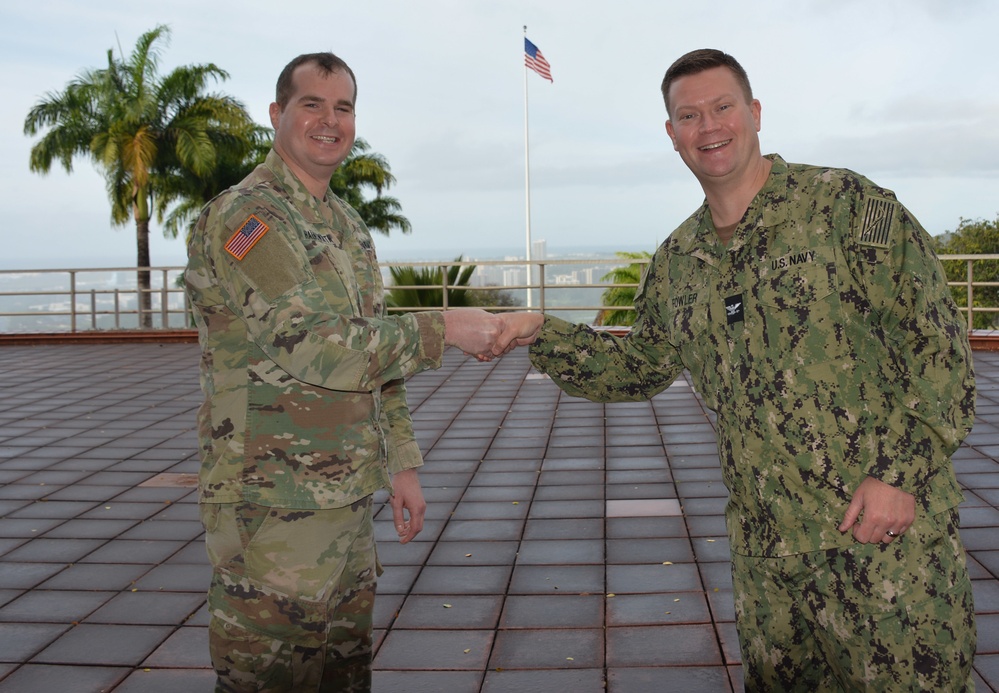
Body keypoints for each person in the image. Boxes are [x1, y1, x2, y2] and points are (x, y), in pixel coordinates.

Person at [496, 48, 977, 691]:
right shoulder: (678, 262)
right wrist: (539, 332)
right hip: (769, 562)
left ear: (753, 113)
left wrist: (898, 474)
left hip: (884, 543)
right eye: (689, 116)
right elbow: (637, 367)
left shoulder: (848, 205)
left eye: (723, 107)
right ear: (673, 136)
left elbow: (939, 350)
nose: (709, 126)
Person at [185, 52, 502, 692]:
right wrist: (447, 327)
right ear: (277, 115)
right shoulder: (250, 219)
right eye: (312, 104)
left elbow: (375, 361)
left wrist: (402, 463)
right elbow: (315, 346)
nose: (330, 121)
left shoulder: (346, 226)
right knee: (270, 679)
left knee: (343, 674)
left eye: (344, 107)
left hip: (345, 498)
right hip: (271, 504)